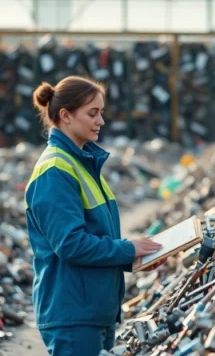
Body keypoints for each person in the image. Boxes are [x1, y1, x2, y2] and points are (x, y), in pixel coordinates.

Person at [25, 76, 164, 356]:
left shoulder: (82, 165)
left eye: (101, 112)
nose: (101, 121)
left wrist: (133, 258)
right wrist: (126, 249)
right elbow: (71, 244)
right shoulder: (55, 170)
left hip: (93, 311)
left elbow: (96, 239)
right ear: (65, 115)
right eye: (92, 113)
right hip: (73, 314)